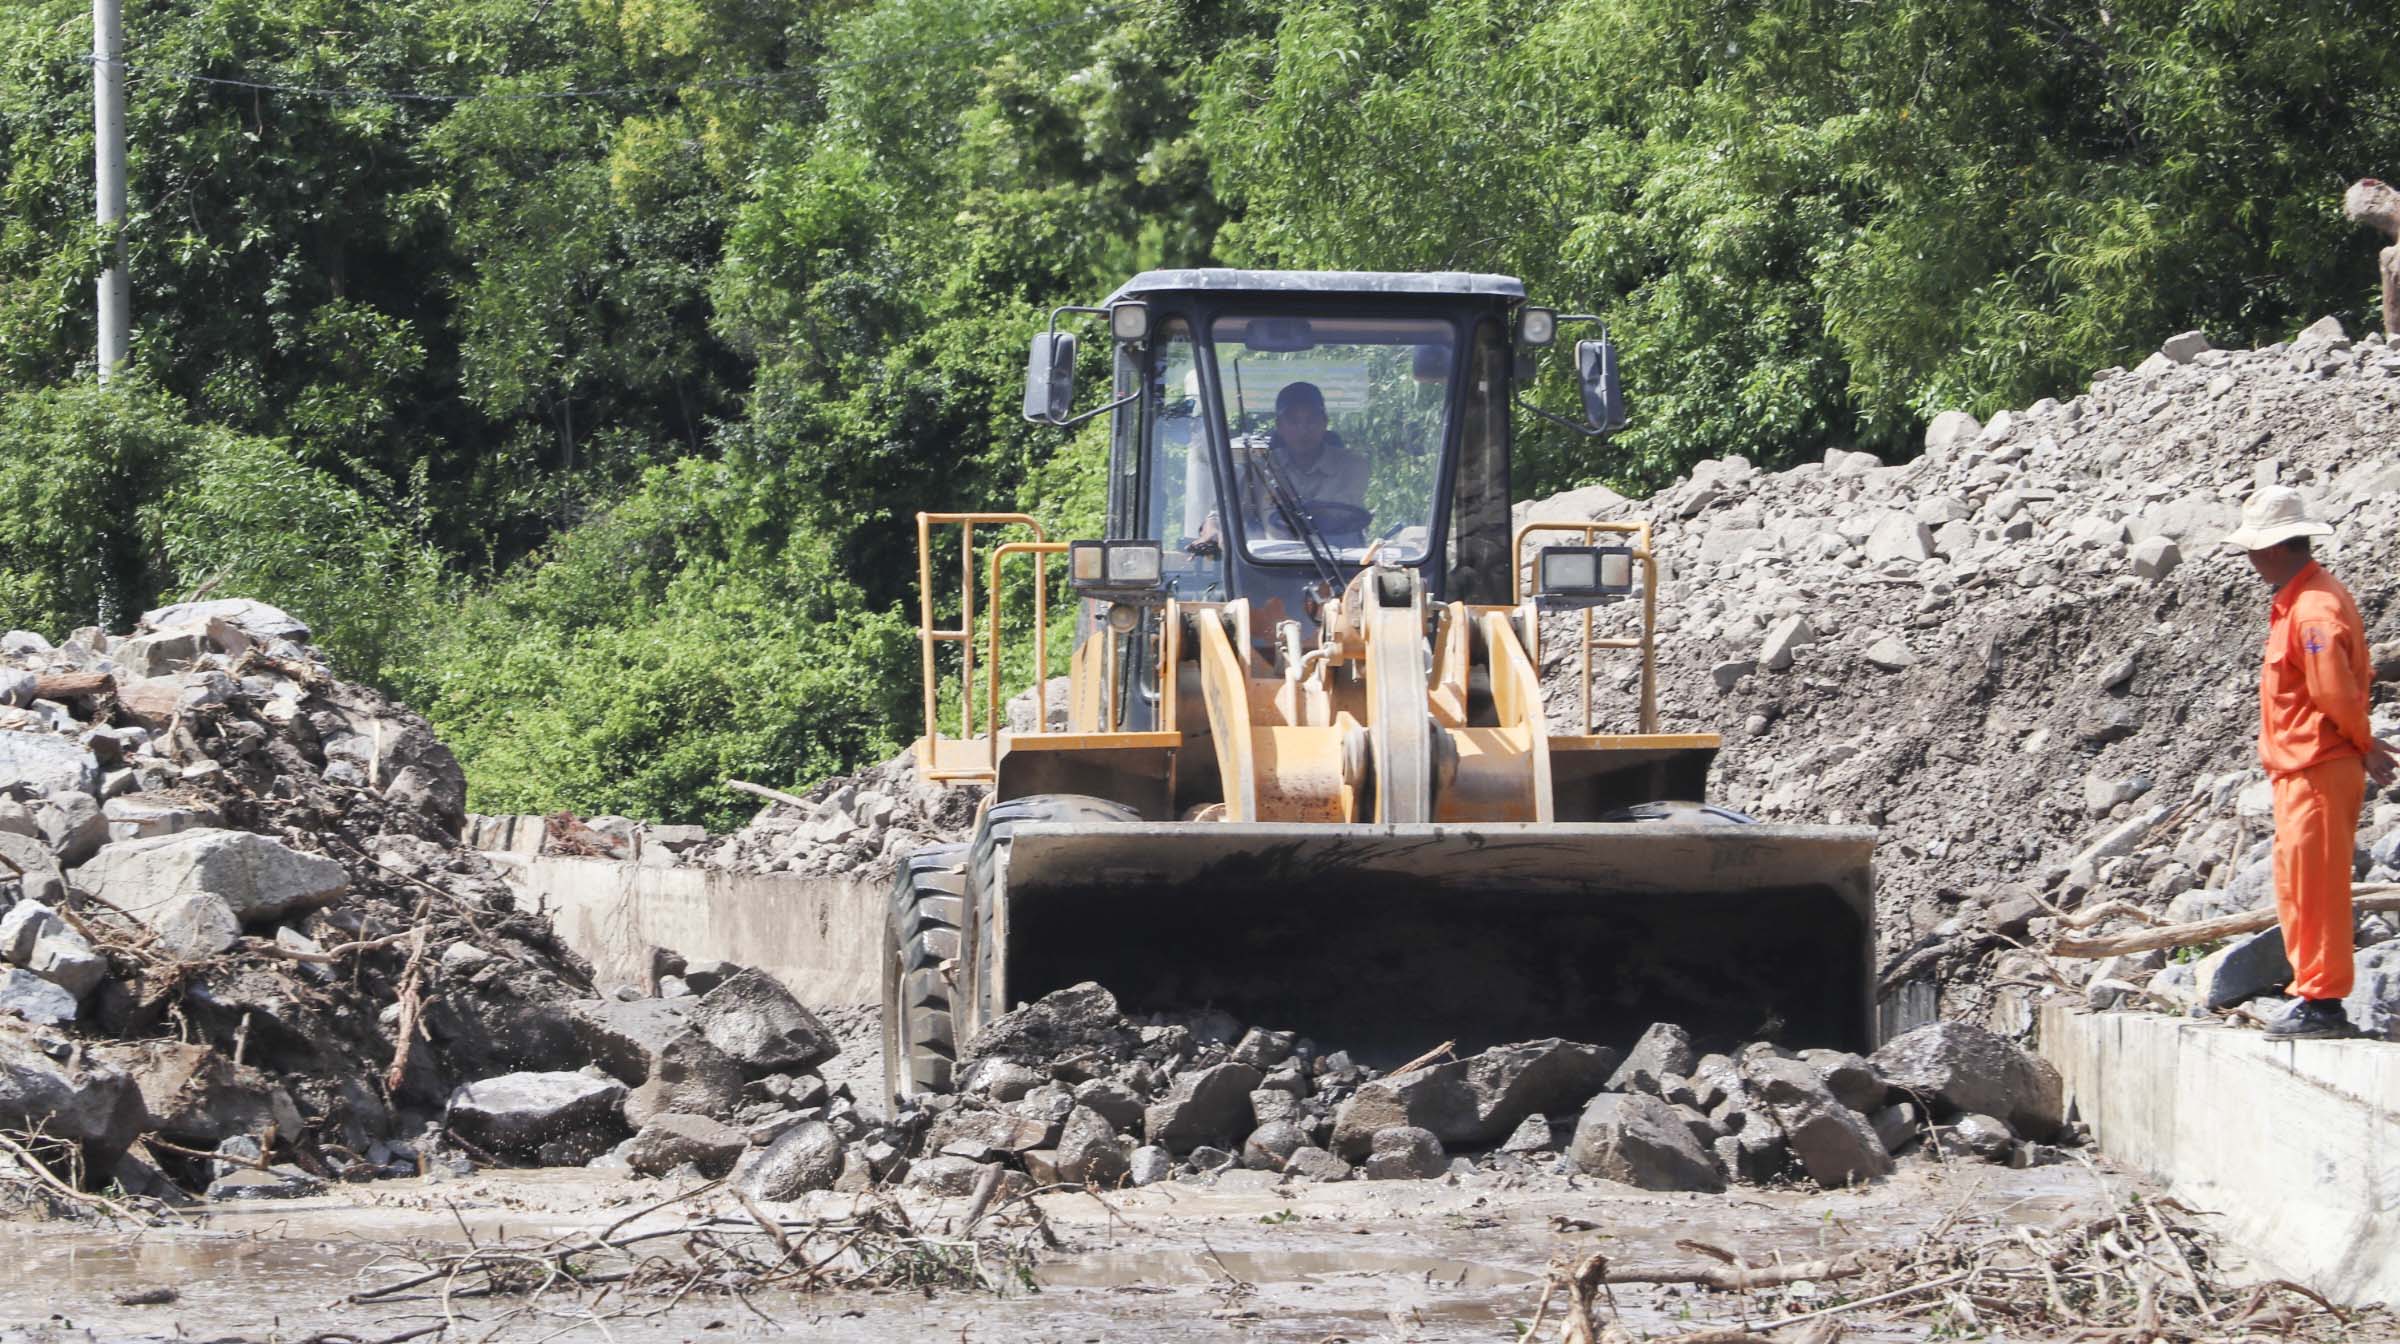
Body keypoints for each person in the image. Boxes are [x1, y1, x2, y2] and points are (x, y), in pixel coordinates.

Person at [2224, 485, 2397, 1039]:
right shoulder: (2299, 600)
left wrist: (2363, 742)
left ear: (2273, 549)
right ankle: (2310, 989)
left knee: (2318, 885)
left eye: (2253, 548)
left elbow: (2334, 690)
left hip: (2320, 765)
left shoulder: (2314, 609)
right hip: (2302, 769)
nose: (2249, 559)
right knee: (2299, 882)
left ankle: (2323, 1003)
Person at [1189, 381, 1370, 555]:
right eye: (1293, 421)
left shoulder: (1352, 466)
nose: (1303, 429)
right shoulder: (1259, 471)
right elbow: (1224, 513)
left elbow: (1341, 515)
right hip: (1273, 570)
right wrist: (1212, 529)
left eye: (1311, 420)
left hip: (1343, 567)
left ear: (1324, 423)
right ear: (1279, 426)